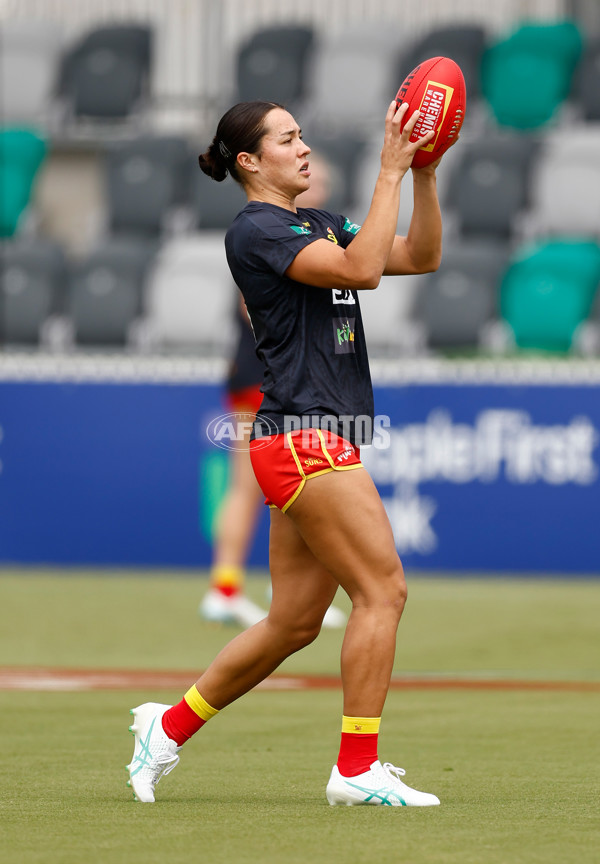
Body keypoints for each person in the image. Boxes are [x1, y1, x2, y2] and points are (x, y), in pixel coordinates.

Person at [127, 98, 447, 807]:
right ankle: (355, 768)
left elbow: (421, 256)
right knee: (383, 591)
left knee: (294, 622)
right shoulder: (256, 231)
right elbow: (362, 273)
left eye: (302, 136)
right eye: (288, 139)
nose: (303, 148)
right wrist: (390, 172)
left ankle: (166, 727)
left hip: (311, 437)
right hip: (305, 437)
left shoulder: (321, 223)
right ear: (250, 160)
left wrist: (425, 173)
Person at [199, 151, 347, 630]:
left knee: (282, 487)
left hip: (260, 373)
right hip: (261, 373)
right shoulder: (268, 233)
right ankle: (224, 589)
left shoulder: (305, 232)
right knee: (251, 482)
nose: (316, 182)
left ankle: (283, 590)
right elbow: (257, 310)